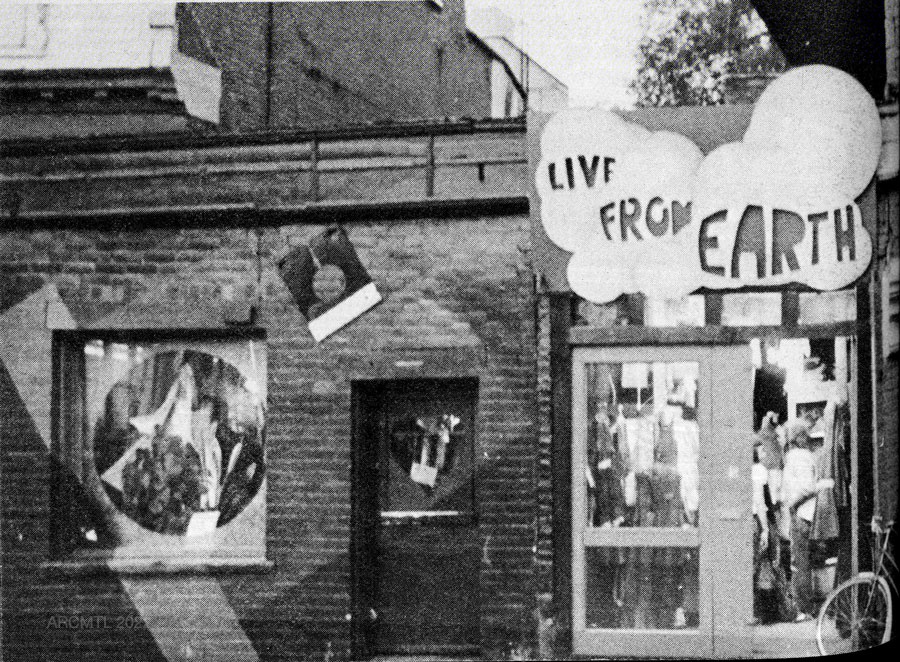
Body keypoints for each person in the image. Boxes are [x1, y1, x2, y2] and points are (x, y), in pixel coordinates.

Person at [780, 419, 818, 620]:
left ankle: (804, 609)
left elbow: (806, 487)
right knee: (804, 561)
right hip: (807, 513)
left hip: (800, 513)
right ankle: (806, 606)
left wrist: (792, 504)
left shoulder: (795, 457)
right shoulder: (809, 455)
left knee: (799, 562)